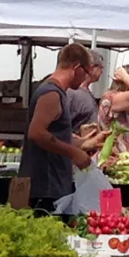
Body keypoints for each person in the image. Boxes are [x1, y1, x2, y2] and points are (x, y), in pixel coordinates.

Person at [24, 43, 101, 213]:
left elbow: (56, 134)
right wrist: (73, 153)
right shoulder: (51, 94)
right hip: (46, 188)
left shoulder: (56, 92)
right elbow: (36, 133)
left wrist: (86, 143)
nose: (85, 78)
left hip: (54, 187)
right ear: (78, 68)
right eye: (86, 72)